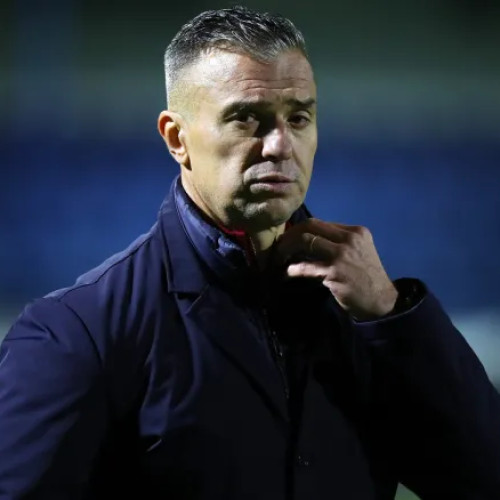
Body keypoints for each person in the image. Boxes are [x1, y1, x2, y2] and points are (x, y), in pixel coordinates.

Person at [0, 6, 499, 499]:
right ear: (177, 138)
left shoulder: (368, 314)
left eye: (298, 117)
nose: (281, 145)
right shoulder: (76, 333)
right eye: (247, 119)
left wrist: (393, 317)